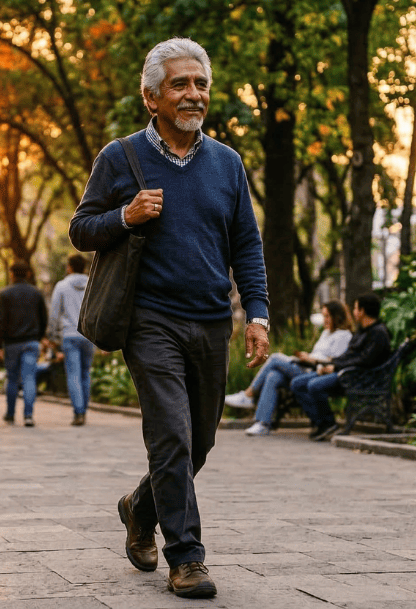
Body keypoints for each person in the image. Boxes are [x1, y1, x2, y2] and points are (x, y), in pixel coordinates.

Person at [69, 37, 270, 600]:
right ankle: (187, 557)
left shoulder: (227, 164)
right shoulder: (121, 157)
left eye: (200, 83)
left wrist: (257, 313)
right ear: (152, 96)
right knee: (171, 435)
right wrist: (125, 216)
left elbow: (246, 247)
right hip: (149, 320)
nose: (193, 94)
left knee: (200, 441)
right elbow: (81, 229)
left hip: (210, 321)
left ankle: (140, 505)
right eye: (180, 84)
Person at [228, 301, 353, 436]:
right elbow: (319, 353)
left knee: (275, 358)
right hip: (306, 365)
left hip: (316, 371)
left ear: (337, 317)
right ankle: (263, 424)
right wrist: (307, 356)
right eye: (324, 316)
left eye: (328, 316)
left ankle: (249, 394)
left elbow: (334, 361)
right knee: (274, 376)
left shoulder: (343, 335)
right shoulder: (326, 333)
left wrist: (312, 359)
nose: (325, 320)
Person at [291, 292, 391, 442]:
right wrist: (330, 364)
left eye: (356, 309)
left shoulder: (378, 333)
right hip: (344, 372)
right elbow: (349, 356)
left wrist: (335, 368)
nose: (353, 312)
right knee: (297, 383)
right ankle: (323, 423)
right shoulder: (362, 331)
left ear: (362, 311)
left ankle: (328, 423)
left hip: (357, 378)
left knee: (313, 385)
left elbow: (364, 361)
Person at [0, 260, 48, 426]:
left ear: (11, 274)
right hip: (31, 341)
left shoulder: (4, 294)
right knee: (29, 378)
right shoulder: (37, 293)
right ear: (28, 274)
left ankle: (10, 414)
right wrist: (38, 337)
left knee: (12, 379)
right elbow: (43, 318)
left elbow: (0, 320)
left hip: (11, 343)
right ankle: (28, 416)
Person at [48, 253, 95, 426]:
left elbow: (54, 314)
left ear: (69, 267)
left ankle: (79, 412)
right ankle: (84, 409)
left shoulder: (61, 286)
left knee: (73, 374)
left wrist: (53, 336)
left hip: (69, 335)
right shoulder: (93, 283)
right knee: (85, 373)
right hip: (89, 335)